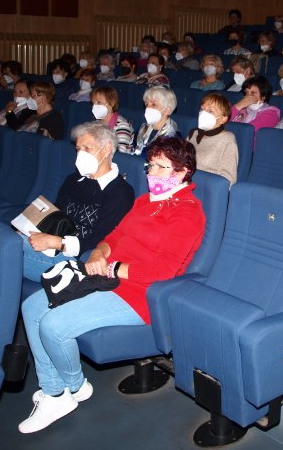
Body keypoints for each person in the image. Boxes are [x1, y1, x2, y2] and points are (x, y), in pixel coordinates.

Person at [18, 137, 204, 434]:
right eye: (150, 165)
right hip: (105, 276)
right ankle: (58, 390)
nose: (152, 173)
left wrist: (113, 266)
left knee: (54, 326)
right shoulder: (145, 202)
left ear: (182, 172)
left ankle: (67, 389)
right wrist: (98, 253)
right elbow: (114, 236)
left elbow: (162, 270)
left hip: (140, 294)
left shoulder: (188, 212)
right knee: (32, 307)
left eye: (162, 167)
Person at [22, 121, 135, 282]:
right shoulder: (74, 180)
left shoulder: (121, 193)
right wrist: (29, 228)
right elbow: (56, 214)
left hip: (79, 261)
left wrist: (57, 243)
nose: (80, 154)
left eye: (87, 149)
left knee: (11, 248)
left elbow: (104, 241)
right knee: (8, 239)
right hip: (54, 247)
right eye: (78, 149)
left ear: (107, 149)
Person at [188, 92, 238, 186]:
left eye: (210, 111)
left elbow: (228, 179)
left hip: (205, 189)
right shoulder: (194, 133)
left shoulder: (227, 140)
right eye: (202, 109)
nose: (203, 113)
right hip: (183, 184)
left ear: (223, 119)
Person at [231, 75, 281, 141]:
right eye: (246, 92)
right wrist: (238, 106)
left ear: (263, 96)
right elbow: (223, 123)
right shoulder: (241, 109)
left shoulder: (271, 114)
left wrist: (239, 106)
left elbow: (248, 133)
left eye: (253, 93)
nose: (248, 96)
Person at [133, 87, 180, 155]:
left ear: (167, 110)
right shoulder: (142, 128)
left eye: (154, 104)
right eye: (146, 104)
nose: (148, 108)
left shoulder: (173, 137)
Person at [91, 86, 134, 154]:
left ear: (112, 103)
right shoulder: (96, 123)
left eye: (99, 102)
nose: (94, 106)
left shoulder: (122, 125)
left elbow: (120, 154)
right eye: (93, 103)